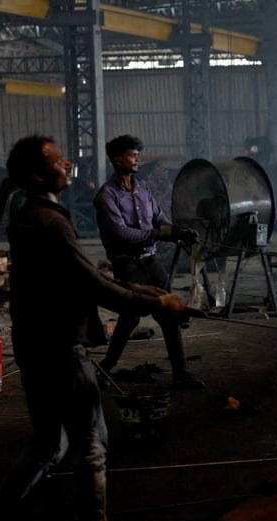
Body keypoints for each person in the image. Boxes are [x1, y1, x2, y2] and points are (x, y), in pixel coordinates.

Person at [0, 134, 194, 521]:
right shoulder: (50, 223)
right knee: (91, 443)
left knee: (49, 445)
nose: (67, 164)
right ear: (36, 175)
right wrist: (154, 301)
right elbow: (93, 282)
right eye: (57, 160)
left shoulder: (33, 216)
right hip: (60, 348)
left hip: (37, 345)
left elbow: (85, 275)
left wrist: (143, 289)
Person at [94, 134, 203, 389]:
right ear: (118, 159)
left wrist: (177, 231)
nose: (137, 160)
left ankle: (181, 375)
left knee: (169, 315)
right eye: (132, 155)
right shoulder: (106, 196)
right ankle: (105, 370)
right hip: (127, 264)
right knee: (130, 318)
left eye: (137, 155)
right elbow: (121, 233)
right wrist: (160, 234)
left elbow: (159, 218)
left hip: (150, 261)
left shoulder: (142, 187)